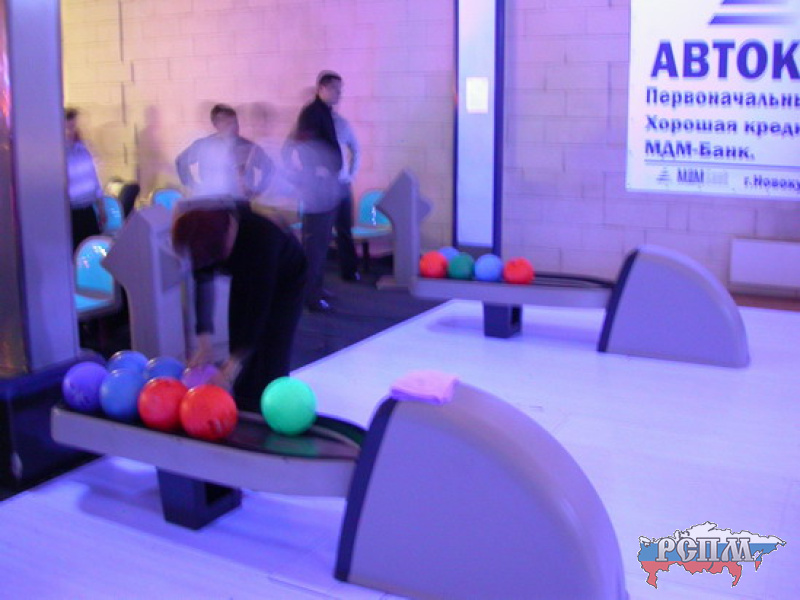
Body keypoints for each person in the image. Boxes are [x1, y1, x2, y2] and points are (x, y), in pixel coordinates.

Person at [172, 203, 307, 413]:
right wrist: (204, 341)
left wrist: (232, 365)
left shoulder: (262, 238)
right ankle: (242, 400)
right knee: (237, 334)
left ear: (227, 236)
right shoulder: (204, 239)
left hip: (287, 277)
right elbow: (203, 283)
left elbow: (258, 308)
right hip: (245, 273)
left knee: (272, 343)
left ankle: (274, 404)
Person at [285, 72, 345, 312]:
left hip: (324, 184)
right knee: (315, 245)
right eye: (336, 89)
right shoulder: (312, 113)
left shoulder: (323, 112)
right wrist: (315, 168)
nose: (340, 94)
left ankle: (317, 288)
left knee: (321, 241)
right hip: (317, 186)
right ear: (322, 88)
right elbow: (303, 144)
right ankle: (311, 296)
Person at [175, 104, 273, 200]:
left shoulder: (248, 147)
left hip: (239, 202)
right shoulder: (203, 146)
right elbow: (181, 161)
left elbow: (269, 168)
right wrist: (194, 186)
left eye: (234, 122)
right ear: (216, 124)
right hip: (212, 201)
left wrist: (257, 190)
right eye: (227, 122)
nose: (233, 126)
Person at [65, 107, 103, 251]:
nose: (73, 130)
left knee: (93, 249)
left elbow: (93, 177)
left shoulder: (84, 148)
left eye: (75, 126)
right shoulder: (60, 153)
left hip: (88, 209)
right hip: (72, 212)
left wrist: (101, 206)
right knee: (77, 251)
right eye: (69, 127)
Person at [332, 109, 361, 282]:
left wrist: (351, 176)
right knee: (318, 233)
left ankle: (349, 271)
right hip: (321, 186)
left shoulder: (341, 123)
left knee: (344, 230)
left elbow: (356, 150)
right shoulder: (312, 122)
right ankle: (313, 278)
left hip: (341, 184)